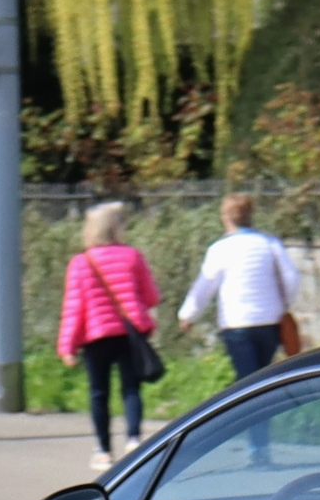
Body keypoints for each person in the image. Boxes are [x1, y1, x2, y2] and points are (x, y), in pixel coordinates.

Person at [57, 202, 162, 473]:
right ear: (117, 227)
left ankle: (103, 451)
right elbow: (151, 297)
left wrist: (67, 345)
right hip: (129, 334)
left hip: (95, 336)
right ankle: (134, 440)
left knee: (98, 393)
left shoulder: (81, 263)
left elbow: (74, 307)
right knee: (130, 388)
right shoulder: (132, 256)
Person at [179, 193, 300, 379]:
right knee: (263, 377)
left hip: (236, 323)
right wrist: (284, 305)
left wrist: (188, 315)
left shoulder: (220, 249)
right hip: (269, 322)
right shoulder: (270, 244)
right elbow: (290, 277)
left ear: (226, 218)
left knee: (247, 381)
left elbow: (205, 285)